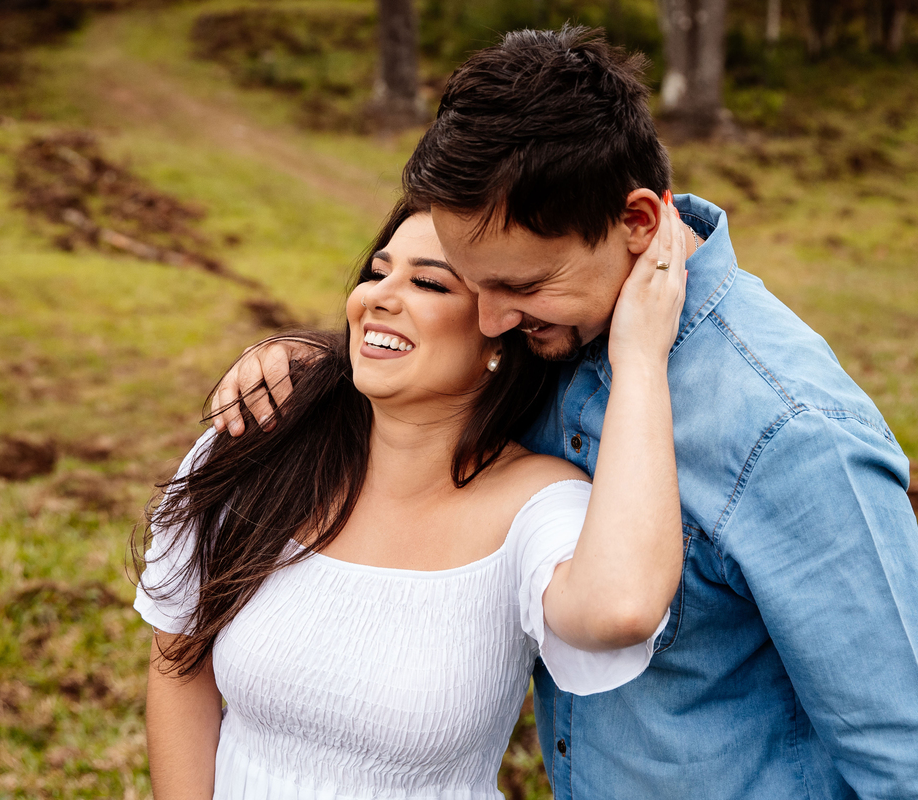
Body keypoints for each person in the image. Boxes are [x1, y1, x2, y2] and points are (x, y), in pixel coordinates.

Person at [212, 26, 918, 800]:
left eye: (520, 287)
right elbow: (431, 375)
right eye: (475, 285)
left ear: (639, 222)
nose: (491, 321)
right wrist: (310, 362)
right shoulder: (557, 331)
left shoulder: (790, 430)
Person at [134, 196, 691, 798]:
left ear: (500, 334)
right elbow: (178, 665)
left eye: (428, 282)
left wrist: (640, 360)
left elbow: (621, 610)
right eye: (378, 272)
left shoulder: (536, 503)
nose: (377, 296)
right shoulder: (263, 437)